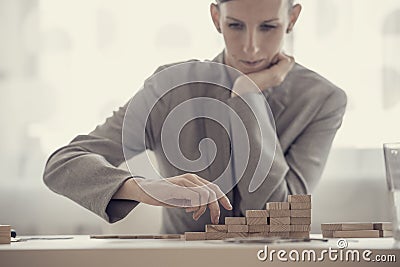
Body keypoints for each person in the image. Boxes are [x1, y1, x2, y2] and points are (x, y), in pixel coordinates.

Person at [43, 0, 347, 234]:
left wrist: (247, 96)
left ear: (291, 19)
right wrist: (142, 187)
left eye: (268, 27)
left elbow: (277, 217)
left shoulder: (322, 100)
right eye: (235, 26)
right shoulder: (172, 87)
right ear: (216, 19)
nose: (250, 46)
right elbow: (65, 162)